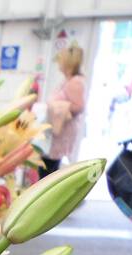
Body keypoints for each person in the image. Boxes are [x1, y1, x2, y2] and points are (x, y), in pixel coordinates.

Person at [42, 44, 88, 177]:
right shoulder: (67, 81)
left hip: (61, 133)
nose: (59, 64)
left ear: (68, 63)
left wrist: (57, 106)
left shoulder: (75, 82)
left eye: (61, 60)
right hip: (55, 132)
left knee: (48, 170)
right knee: (47, 167)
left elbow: (79, 106)